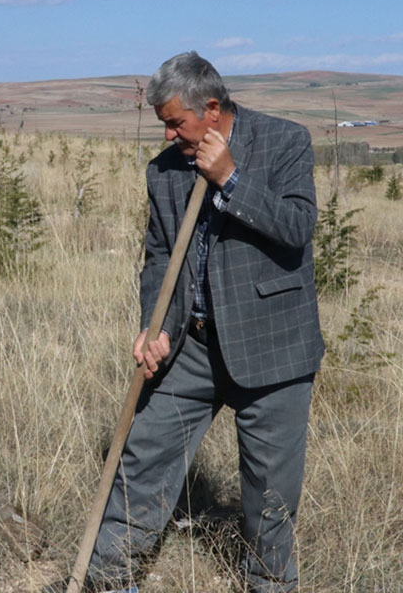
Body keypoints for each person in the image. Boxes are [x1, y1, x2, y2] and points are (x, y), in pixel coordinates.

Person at [87, 51, 325, 592]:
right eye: (164, 124)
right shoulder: (165, 171)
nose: (170, 134)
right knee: (142, 458)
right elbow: (158, 257)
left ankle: (268, 586)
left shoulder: (284, 142)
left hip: (272, 347)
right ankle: (108, 579)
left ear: (212, 109)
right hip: (192, 346)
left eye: (176, 122)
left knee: (269, 493)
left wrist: (231, 179)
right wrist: (157, 326)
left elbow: (296, 226)